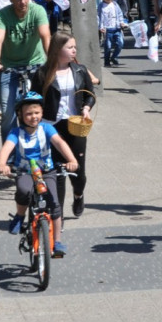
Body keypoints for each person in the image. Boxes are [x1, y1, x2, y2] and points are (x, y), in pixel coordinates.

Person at [0, 91, 79, 258]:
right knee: (24, 190)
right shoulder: (15, 132)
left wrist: (72, 160)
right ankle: (20, 216)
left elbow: (60, 143)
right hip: (25, 171)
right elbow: (6, 149)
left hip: (47, 171)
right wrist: (2, 164)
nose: (33, 117)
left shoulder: (47, 128)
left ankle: (57, 241)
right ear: (20, 115)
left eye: (37, 113)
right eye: (28, 114)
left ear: (42, 113)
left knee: (54, 203)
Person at [31, 33, 95, 219]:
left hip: (75, 126)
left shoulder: (80, 70)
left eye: (75, 47)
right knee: (57, 173)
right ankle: (57, 215)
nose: (74, 50)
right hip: (52, 127)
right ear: (58, 50)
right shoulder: (42, 73)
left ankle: (78, 195)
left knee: (78, 173)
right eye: (70, 47)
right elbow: (33, 100)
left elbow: (90, 94)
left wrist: (86, 107)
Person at [0, 0, 52, 139]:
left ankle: (40, 143)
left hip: (35, 63)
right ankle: (9, 150)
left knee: (41, 108)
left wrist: (52, 61)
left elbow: (45, 35)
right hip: (9, 66)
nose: (22, 2)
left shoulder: (38, 11)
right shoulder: (3, 14)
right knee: (7, 112)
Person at [97, 0, 127, 67]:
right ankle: (106, 61)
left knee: (120, 43)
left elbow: (120, 14)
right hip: (107, 29)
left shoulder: (115, 4)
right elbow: (98, 17)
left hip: (116, 28)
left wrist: (121, 22)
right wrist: (100, 27)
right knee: (108, 46)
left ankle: (114, 57)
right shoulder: (101, 6)